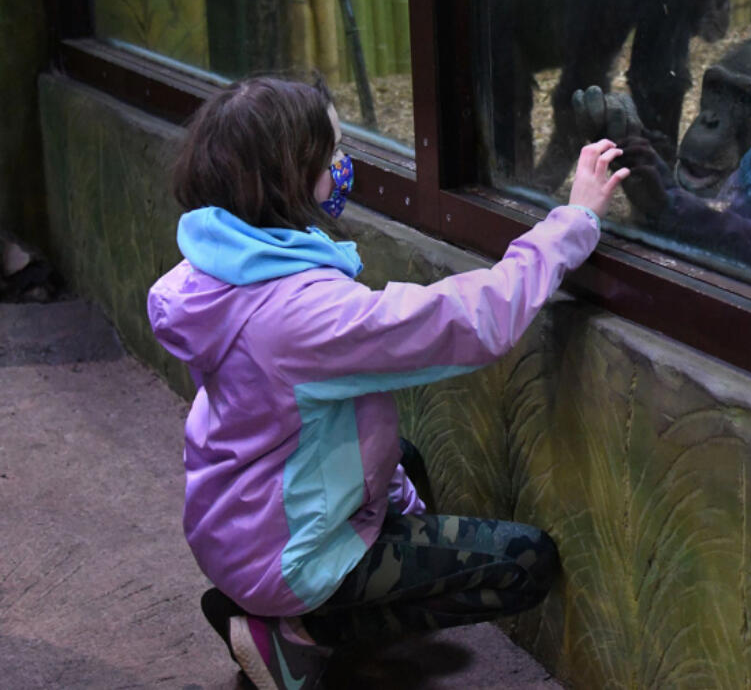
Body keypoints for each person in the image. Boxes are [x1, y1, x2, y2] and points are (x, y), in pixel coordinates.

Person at [147, 75, 628, 689]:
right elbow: (468, 320)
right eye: (332, 155)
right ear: (291, 177)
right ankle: (298, 633)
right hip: (285, 555)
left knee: (405, 461)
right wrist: (575, 219)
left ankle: (275, 605)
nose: (343, 167)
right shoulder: (302, 316)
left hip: (231, 521)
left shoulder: (211, 266)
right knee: (523, 564)